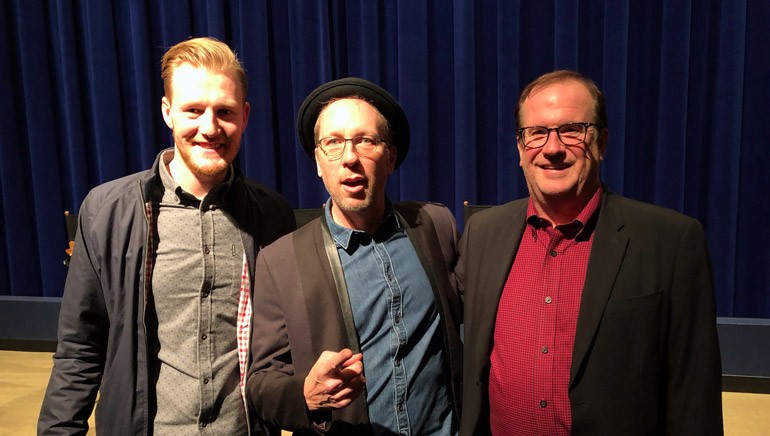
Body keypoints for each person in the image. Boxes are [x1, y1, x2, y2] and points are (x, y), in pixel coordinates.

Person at [38, 36, 295, 435]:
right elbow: (80, 349)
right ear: (167, 112)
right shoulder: (107, 211)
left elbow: (282, 348)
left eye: (224, 112)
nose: (210, 128)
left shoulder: (272, 215)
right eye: (193, 110)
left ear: (244, 116)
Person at [458, 70, 723, 435]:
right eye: (536, 133)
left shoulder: (671, 241)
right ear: (520, 149)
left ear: (601, 142)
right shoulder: (482, 234)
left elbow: (695, 394)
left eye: (572, 130)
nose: (552, 148)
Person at [246, 77, 462, 435]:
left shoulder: (434, 226)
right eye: (332, 143)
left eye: (365, 140)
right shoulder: (280, 261)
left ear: (390, 157)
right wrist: (306, 395)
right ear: (318, 160)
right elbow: (261, 382)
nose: (349, 158)